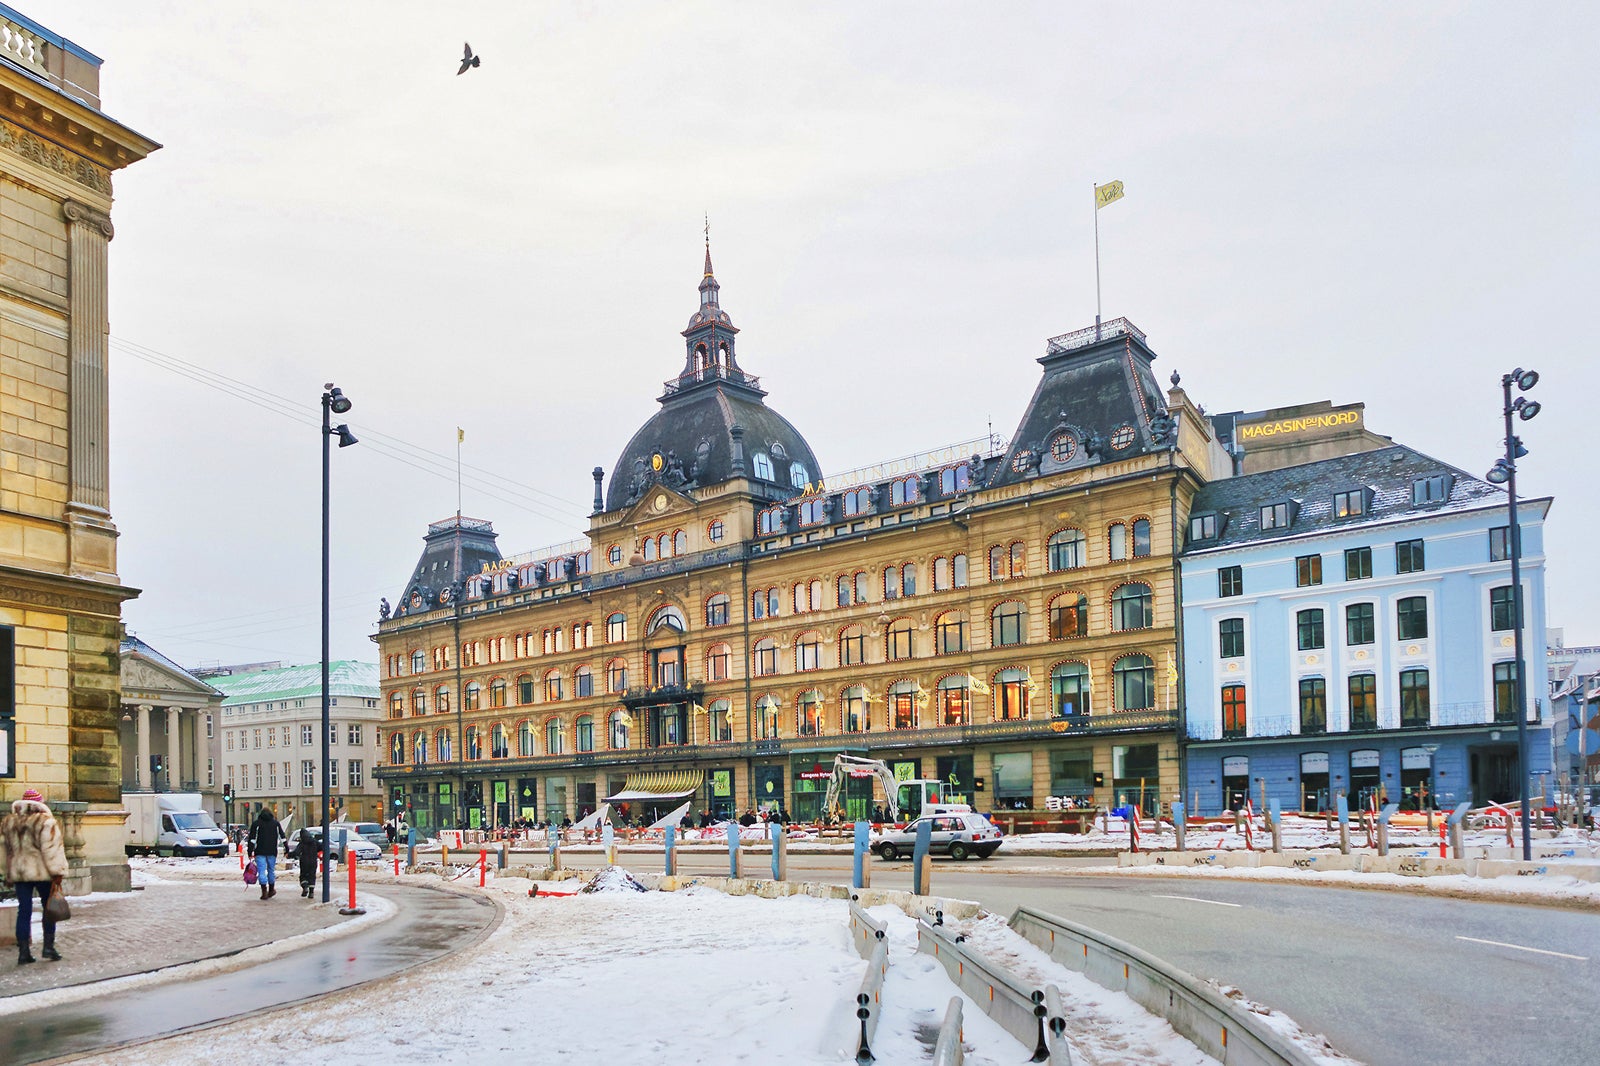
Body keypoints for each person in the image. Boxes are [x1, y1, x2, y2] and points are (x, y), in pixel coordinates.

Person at [0, 788, 69, 963]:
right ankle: (48, 947)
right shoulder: (46, 822)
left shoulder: (9, 822)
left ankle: (23, 952)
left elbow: (3, 850)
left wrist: (7, 873)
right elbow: (51, 850)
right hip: (43, 872)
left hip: (20, 873)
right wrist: (57, 872)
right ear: (40, 803)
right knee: (48, 909)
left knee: (24, 911)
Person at [247, 808, 283, 900]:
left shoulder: (256, 824)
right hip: (272, 851)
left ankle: (264, 892)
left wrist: (250, 851)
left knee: (261, 871)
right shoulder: (276, 824)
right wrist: (286, 849)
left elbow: (252, 839)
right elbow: (282, 837)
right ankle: (271, 889)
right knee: (271, 871)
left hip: (260, 851)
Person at [293, 826, 324, 898]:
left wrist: (290, 855)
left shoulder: (302, 843)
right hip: (313, 861)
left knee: (303, 875)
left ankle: (305, 886)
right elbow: (322, 847)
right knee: (312, 876)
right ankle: (311, 892)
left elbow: (296, 852)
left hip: (304, 861)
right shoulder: (314, 842)